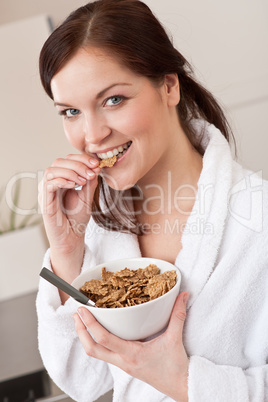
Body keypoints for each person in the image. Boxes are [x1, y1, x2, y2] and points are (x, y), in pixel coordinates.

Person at [36, 1, 268, 401]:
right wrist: (67, 253)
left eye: (113, 100)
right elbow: (83, 380)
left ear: (169, 86)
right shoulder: (100, 227)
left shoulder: (258, 221)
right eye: (71, 111)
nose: (92, 135)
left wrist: (183, 381)